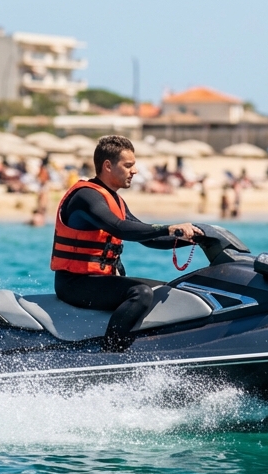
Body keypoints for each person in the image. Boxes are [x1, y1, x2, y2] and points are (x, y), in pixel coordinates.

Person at [52, 135, 202, 352]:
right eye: (128, 165)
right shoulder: (86, 197)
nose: (135, 171)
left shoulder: (115, 200)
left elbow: (149, 238)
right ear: (108, 166)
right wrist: (169, 227)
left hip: (97, 280)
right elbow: (120, 228)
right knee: (141, 293)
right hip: (73, 283)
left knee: (169, 290)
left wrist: (194, 238)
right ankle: (110, 353)